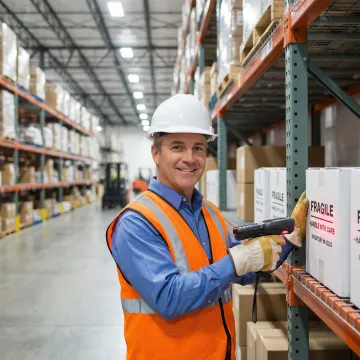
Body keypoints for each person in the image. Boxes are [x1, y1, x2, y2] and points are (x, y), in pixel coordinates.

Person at [106, 94, 309, 360]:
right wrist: (238, 262)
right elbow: (170, 298)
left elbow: (245, 270)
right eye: (177, 147)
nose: (189, 158)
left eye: (198, 148)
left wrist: (287, 240)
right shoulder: (136, 222)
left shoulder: (210, 213)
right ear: (155, 153)